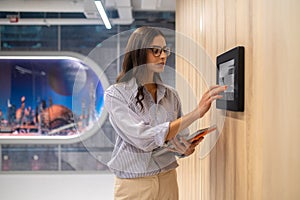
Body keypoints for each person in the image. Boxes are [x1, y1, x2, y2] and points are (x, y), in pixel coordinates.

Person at [104, 26, 226, 200]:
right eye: (156, 51)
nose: (163, 56)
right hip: (135, 184)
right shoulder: (116, 94)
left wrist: (185, 148)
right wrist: (196, 113)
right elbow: (143, 138)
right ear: (138, 53)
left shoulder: (171, 95)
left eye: (164, 50)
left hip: (168, 179)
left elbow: (177, 138)